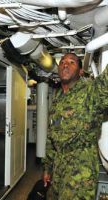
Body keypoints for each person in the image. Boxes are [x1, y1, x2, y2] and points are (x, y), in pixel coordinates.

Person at [43, 53, 108, 200]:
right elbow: (51, 136)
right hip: (59, 167)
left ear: (80, 71)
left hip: (80, 171)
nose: (65, 64)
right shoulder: (58, 98)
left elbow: (105, 85)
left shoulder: (90, 92)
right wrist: (47, 167)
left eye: (72, 62)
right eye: (63, 62)